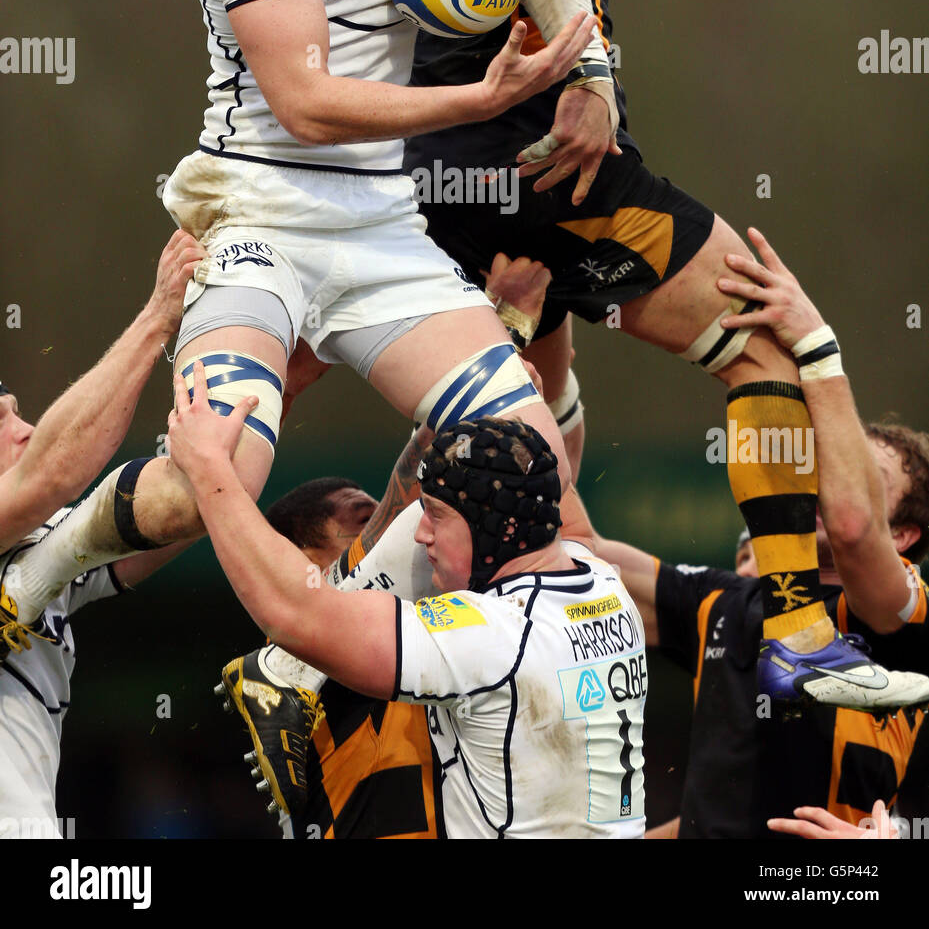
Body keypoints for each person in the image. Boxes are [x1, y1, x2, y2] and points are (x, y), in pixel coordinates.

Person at [0, 0, 608, 631]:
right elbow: (307, 104)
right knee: (213, 475)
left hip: (380, 227)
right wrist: (480, 99)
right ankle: (35, 573)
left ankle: (315, 652)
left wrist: (582, 39)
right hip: (260, 222)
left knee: (526, 460)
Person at [404, 0, 889, 700]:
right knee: (761, 342)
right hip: (540, 152)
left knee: (517, 428)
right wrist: (584, 80)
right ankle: (799, 625)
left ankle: (399, 637)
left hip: (443, 173)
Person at [171, 365, 648, 839]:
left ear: (493, 527)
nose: (419, 535)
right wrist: (513, 412)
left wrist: (209, 466)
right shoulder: (604, 585)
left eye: (437, 515)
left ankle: (285, 667)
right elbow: (550, 503)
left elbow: (299, 610)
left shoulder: (487, 634)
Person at [595, 229, 929, 836]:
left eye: (864, 474)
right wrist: (537, 342)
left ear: (904, 537)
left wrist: (816, 349)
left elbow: (854, 529)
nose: (832, 479)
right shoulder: (724, 602)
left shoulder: (908, 621)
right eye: (825, 459)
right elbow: (573, 553)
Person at [0, 231, 202, 838]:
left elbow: (187, 509)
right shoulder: (42, 511)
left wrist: (272, 393)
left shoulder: (39, 537)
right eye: (1, 422)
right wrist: (158, 316)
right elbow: (55, 473)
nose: (26, 429)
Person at [223, 466, 445, 839]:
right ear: (303, 562)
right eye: (363, 520)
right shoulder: (298, 647)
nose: (388, 536)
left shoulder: (427, 625)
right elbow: (438, 472)